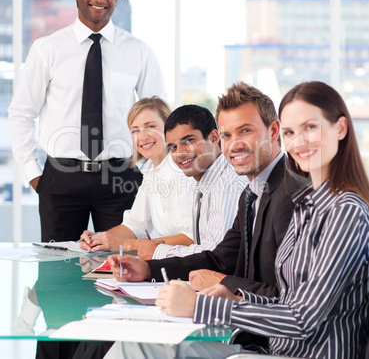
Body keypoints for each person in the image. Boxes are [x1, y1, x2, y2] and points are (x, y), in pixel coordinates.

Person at [151, 81, 369, 359]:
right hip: (272, 349)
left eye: (310, 128)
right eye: (292, 132)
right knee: (139, 345)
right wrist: (233, 295)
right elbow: (287, 297)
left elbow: (302, 318)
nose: (298, 141)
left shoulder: (344, 210)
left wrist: (200, 306)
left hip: (302, 354)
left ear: (340, 128)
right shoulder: (309, 204)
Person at [108, 83, 306, 352]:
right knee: (134, 341)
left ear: (273, 131)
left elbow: (293, 302)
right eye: (227, 135)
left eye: (245, 131)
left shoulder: (294, 194)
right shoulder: (252, 192)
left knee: (137, 345)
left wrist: (221, 285)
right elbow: (219, 257)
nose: (234, 144)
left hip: (273, 345)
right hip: (249, 332)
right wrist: (147, 270)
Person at [8, 0, 166, 243]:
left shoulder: (138, 51)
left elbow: (159, 119)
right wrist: (34, 174)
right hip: (61, 178)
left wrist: (146, 173)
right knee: (58, 273)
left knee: (123, 269)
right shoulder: (47, 49)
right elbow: (21, 113)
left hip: (122, 177)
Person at [79, 97, 195, 257]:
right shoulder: (151, 171)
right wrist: (99, 239)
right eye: (135, 130)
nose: (143, 136)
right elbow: (135, 224)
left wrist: (124, 244)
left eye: (150, 126)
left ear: (169, 129)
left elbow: (190, 239)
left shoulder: (184, 172)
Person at [135, 104, 248, 260]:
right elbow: (204, 248)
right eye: (173, 147)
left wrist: (158, 251)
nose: (180, 153)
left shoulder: (227, 183)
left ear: (214, 138)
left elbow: (216, 254)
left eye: (188, 141)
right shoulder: (203, 183)